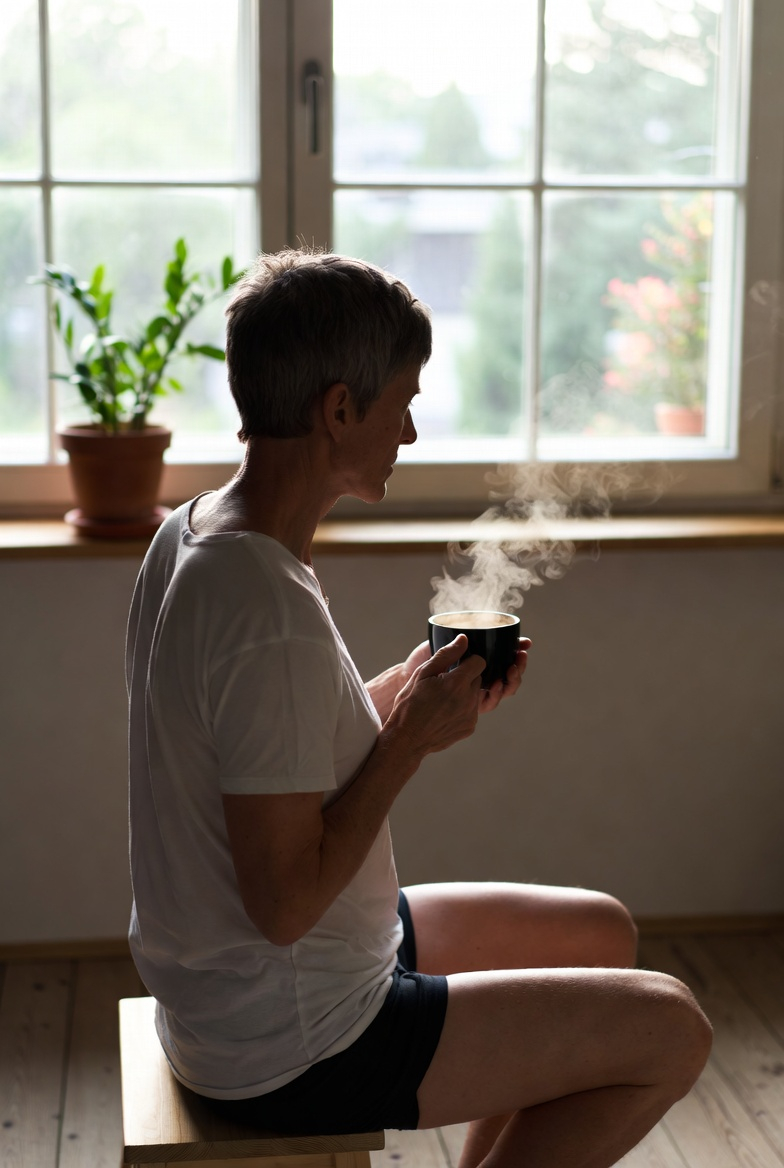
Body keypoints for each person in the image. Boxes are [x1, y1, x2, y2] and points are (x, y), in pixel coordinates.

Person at [126, 249, 712, 1168]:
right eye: (402, 402)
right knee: (672, 1029)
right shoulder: (262, 605)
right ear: (339, 410)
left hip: (261, 985)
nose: (408, 430)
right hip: (294, 1038)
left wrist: (405, 692)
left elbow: (267, 757)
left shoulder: (194, 532)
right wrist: (406, 742)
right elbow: (283, 905)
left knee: (600, 930)